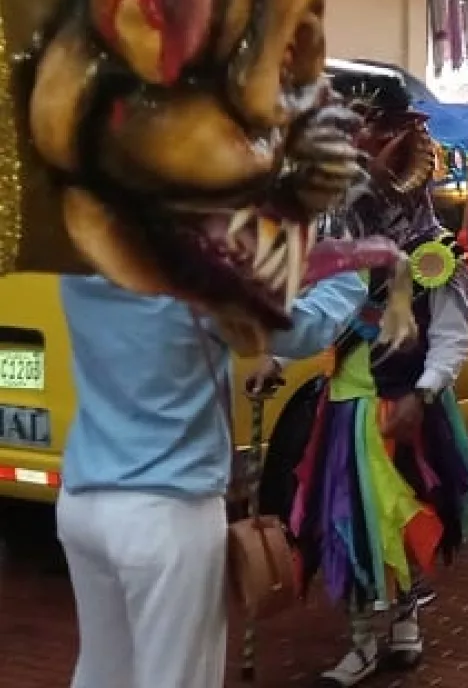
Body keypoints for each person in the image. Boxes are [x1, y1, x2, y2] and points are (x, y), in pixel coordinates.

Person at [56, 271, 365, 688]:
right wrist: (346, 270)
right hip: (166, 510)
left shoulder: (79, 267)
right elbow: (303, 328)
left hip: (82, 498)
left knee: (103, 671)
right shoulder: (197, 278)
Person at [285, 93, 468, 686]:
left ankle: (403, 625)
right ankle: (361, 642)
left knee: (397, 520)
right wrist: (275, 357)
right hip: (346, 410)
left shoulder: (437, 254)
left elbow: (453, 337)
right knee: (349, 523)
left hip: (401, 407)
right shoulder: (343, 251)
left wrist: (422, 397)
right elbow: (320, 312)